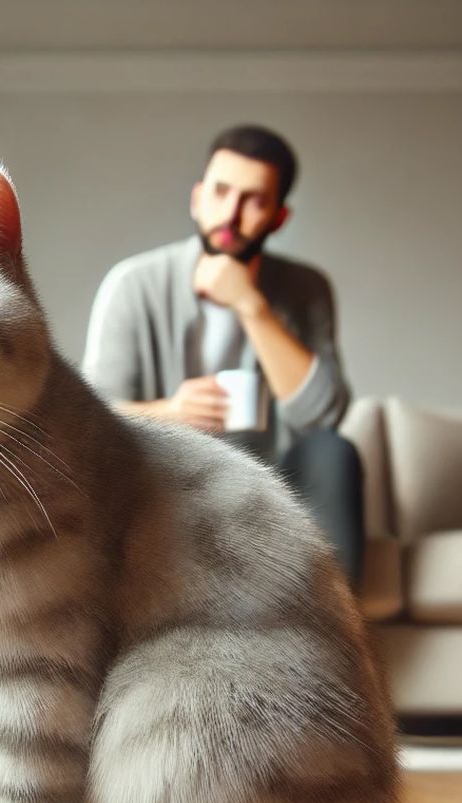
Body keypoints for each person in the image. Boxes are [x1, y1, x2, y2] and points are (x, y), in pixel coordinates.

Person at [81, 124, 364, 587]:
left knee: (334, 452)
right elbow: (90, 420)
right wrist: (168, 412)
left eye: (253, 200)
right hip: (164, 480)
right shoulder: (134, 284)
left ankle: (339, 635)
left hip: (274, 485)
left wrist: (251, 305)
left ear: (279, 218)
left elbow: (323, 417)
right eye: (221, 191)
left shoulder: (305, 289)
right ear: (197, 198)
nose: (230, 214)